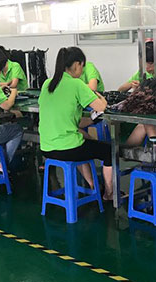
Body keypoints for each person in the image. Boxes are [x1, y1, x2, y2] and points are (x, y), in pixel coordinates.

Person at [38, 47, 114, 200]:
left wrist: (91, 120)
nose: (82, 70)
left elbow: (70, 120)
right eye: (82, 66)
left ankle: (93, 185)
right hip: (68, 148)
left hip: (46, 147)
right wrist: (103, 100)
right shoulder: (76, 84)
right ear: (77, 64)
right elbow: (100, 107)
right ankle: (109, 194)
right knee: (109, 151)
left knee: (81, 140)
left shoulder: (47, 84)